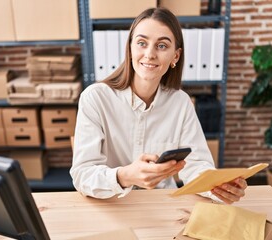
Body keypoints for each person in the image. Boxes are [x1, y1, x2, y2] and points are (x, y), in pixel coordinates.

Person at [70, 7, 247, 204]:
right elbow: (82, 175)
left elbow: (197, 166)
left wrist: (218, 187)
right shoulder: (95, 99)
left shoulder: (181, 103)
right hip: (112, 204)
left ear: (175, 56)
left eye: (162, 46)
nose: (150, 54)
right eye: (141, 43)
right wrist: (125, 176)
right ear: (130, 49)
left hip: (162, 204)